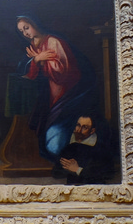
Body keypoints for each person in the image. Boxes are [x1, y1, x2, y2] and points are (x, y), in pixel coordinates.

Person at [15, 16, 96, 160]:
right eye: (22, 31)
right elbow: (27, 73)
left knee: (58, 129)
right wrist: (37, 59)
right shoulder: (34, 45)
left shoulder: (53, 41)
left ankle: (68, 155)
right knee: (44, 125)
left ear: (35, 23)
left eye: (26, 28)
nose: (25, 33)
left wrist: (40, 61)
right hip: (51, 94)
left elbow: (62, 71)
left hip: (68, 92)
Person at [54, 114, 112, 184]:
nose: (79, 130)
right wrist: (68, 168)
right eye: (78, 125)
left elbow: (107, 174)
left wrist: (77, 170)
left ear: (92, 131)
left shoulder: (100, 148)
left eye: (85, 127)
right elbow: (56, 172)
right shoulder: (70, 147)